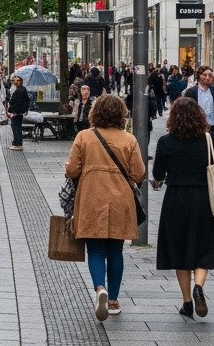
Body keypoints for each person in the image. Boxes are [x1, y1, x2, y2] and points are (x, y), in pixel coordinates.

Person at [64, 94, 146, 321]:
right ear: (120, 114)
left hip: (91, 198)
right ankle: (113, 300)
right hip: (120, 200)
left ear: (95, 112)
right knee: (116, 251)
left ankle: (100, 288)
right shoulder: (129, 140)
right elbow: (139, 173)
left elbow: (72, 170)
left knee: (96, 250)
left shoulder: (84, 137)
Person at [150, 97, 214, 321]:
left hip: (175, 199)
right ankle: (199, 287)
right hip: (203, 199)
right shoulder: (210, 139)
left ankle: (186, 302)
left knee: (179, 250)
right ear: (199, 115)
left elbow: (158, 175)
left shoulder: (165, 142)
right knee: (203, 247)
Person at [185, 67, 214, 136]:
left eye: (210, 75)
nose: (207, 78)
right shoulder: (191, 92)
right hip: (198, 127)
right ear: (199, 76)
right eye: (204, 75)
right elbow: (186, 112)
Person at [6, 75, 31, 151]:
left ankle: (18, 144)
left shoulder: (20, 90)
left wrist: (10, 109)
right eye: (13, 80)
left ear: (20, 82)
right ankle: (16, 143)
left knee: (16, 127)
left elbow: (16, 102)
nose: (15, 82)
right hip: (19, 111)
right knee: (16, 127)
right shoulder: (21, 89)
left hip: (17, 112)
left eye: (17, 80)